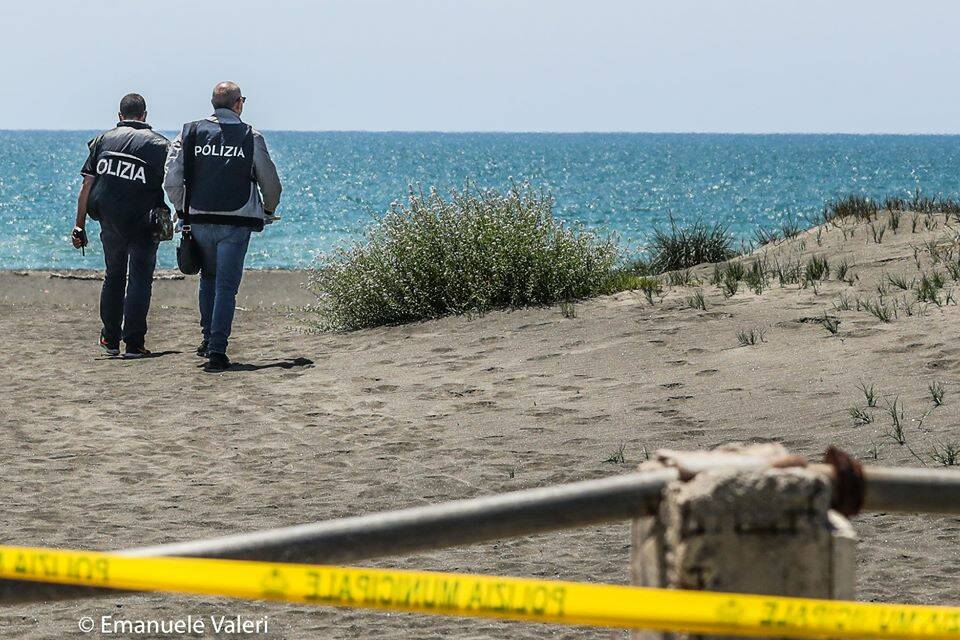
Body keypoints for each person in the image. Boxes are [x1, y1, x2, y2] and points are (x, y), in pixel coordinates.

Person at [164, 81, 282, 372]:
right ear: (238, 103)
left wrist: (182, 210)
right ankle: (218, 347)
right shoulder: (250, 135)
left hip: (199, 218)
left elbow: (171, 178)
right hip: (237, 219)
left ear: (213, 103)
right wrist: (268, 209)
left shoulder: (189, 132)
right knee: (226, 286)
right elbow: (270, 181)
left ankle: (207, 338)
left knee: (208, 278)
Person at [73, 93, 170, 358]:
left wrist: (79, 226)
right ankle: (134, 343)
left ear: (119, 116)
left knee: (113, 276)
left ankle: (110, 339)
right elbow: (175, 184)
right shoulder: (161, 145)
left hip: (109, 220)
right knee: (140, 279)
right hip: (143, 221)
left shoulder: (102, 141)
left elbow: (86, 186)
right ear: (145, 116)